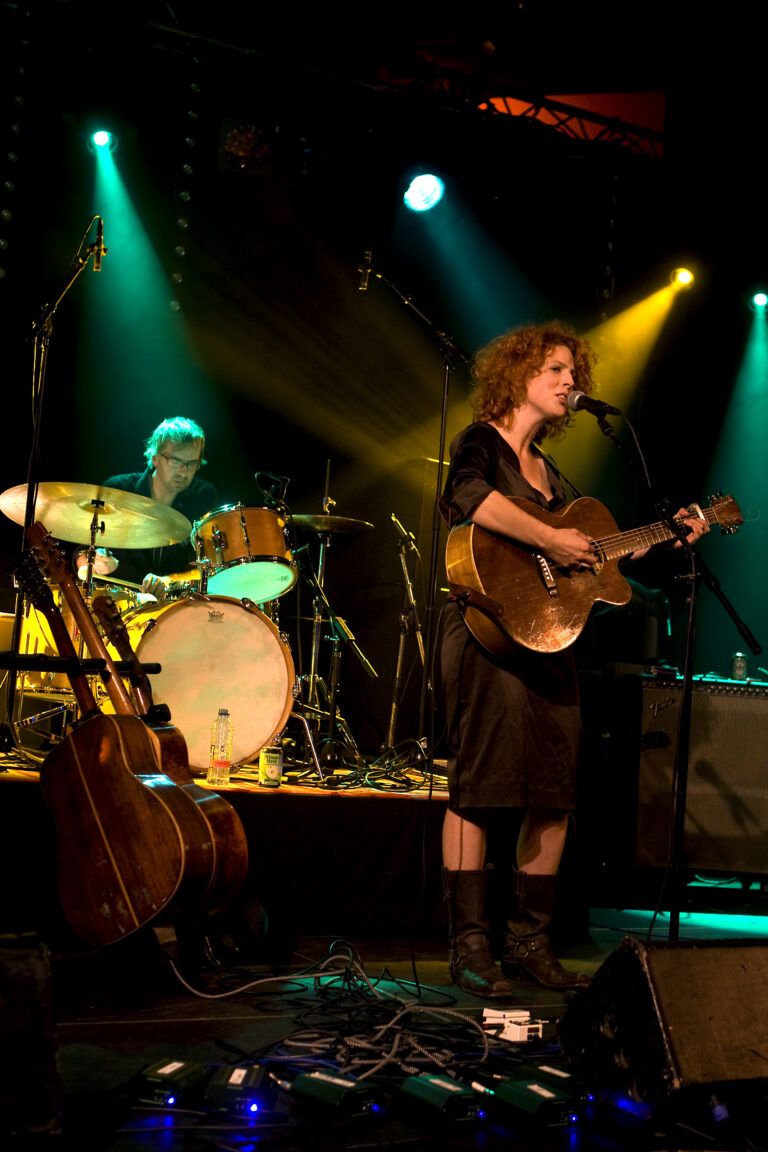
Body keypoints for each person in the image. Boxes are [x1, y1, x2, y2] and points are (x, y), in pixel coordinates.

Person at [438, 322, 709, 999]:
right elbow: (467, 499)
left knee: (555, 791)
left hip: (548, 641)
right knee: (480, 787)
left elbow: (592, 555)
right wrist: (551, 539)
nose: (571, 383)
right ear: (518, 373)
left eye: (574, 372)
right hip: (485, 630)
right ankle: (470, 945)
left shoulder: (554, 475)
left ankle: (530, 941)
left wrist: (672, 536)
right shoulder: (482, 444)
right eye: (556, 369)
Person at [77, 417, 218, 597]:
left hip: (175, 606)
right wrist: (94, 561)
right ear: (155, 458)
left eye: (191, 464)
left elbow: (209, 566)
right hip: (119, 605)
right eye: (175, 461)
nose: (183, 472)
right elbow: (80, 554)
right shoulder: (118, 489)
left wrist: (168, 581)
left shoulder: (202, 496)